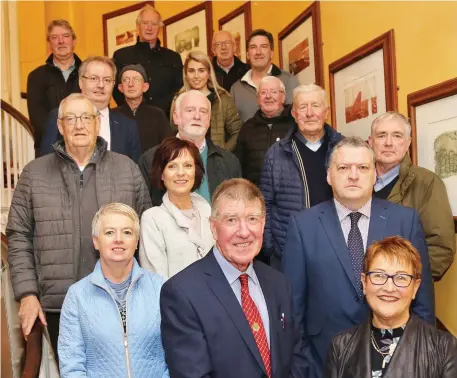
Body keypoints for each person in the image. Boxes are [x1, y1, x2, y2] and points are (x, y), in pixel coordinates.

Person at [6, 93, 151, 358]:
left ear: (97, 123)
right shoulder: (34, 174)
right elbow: (18, 237)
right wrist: (27, 294)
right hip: (59, 305)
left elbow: (146, 233)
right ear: (60, 127)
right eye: (70, 119)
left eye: (86, 117)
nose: (79, 125)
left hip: (120, 299)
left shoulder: (126, 169)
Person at [280, 137, 435, 378]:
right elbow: (293, 307)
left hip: (396, 360)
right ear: (329, 175)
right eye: (343, 168)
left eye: (362, 168)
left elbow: (422, 299)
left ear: (375, 175)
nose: (353, 175)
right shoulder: (302, 226)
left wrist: (423, 357)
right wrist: (303, 367)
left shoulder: (405, 220)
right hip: (323, 360)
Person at [160, 178, 307, 378]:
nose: (244, 232)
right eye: (231, 220)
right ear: (213, 227)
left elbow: (296, 356)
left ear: (263, 224)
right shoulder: (182, 293)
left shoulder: (279, 284)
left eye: (252, 219)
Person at [59, 203, 168, 377]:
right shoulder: (77, 296)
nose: (119, 239)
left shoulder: (162, 288)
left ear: (137, 241)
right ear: (96, 241)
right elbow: (72, 366)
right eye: (109, 232)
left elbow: (177, 354)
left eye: (127, 232)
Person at [325, 236, 457, 378]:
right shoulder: (340, 346)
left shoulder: (444, 347)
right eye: (379, 275)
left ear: (415, 287)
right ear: (364, 282)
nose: (389, 288)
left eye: (401, 277)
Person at [260, 84, 343, 266]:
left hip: (338, 250)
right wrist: (271, 248)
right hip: (289, 253)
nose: (309, 113)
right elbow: (265, 203)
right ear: (294, 114)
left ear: (326, 111)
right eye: (303, 107)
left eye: (315, 105)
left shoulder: (344, 149)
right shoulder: (276, 153)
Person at [369, 111, 455, 279]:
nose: (388, 143)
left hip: (401, 294)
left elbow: (440, 249)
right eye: (381, 136)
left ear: (407, 143)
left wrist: (400, 280)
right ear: (371, 142)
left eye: (397, 136)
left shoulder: (427, 182)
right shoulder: (357, 180)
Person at [139, 90, 241, 205]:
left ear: (209, 120)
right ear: (176, 117)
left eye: (203, 111)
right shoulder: (151, 159)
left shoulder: (229, 162)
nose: (197, 116)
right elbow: (144, 207)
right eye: (190, 110)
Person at [40, 56, 142, 162]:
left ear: (113, 85)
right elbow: (46, 165)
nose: (101, 85)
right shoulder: (61, 116)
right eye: (94, 78)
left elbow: (133, 172)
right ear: (80, 82)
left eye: (107, 80)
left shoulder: (128, 126)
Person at [139, 137, 214, 278]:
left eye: (187, 165)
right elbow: (155, 279)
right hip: (175, 299)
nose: (181, 173)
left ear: (196, 171)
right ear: (162, 174)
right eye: (172, 166)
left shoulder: (208, 211)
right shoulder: (153, 219)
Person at [112, 4, 183, 116]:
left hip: (164, 121)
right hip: (130, 119)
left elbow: (179, 91)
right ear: (138, 26)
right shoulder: (121, 56)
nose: (149, 28)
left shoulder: (173, 58)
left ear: (160, 28)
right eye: (145, 23)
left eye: (154, 24)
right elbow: (116, 89)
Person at [27, 20, 81, 156]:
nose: (61, 41)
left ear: (74, 41)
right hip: (49, 149)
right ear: (49, 44)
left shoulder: (88, 72)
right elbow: (37, 117)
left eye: (66, 36)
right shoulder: (36, 76)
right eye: (54, 37)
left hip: (84, 147)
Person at [171, 50, 242, 151]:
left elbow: (237, 131)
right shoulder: (179, 99)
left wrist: (222, 153)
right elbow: (174, 131)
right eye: (191, 71)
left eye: (201, 70)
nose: (196, 76)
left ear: (209, 73)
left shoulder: (222, 98)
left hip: (215, 160)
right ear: (185, 74)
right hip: (186, 158)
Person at [235, 76, 295, 186]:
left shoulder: (295, 123)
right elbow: (238, 166)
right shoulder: (247, 127)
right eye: (263, 92)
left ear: (283, 97)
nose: (268, 96)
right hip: (256, 194)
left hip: (290, 193)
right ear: (258, 98)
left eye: (273, 92)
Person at [230, 29, 299, 123]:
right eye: (253, 47)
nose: (258, 52)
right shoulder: (236, 89)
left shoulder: (289, 81)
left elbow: (297, 119)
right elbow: (233, 127)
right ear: (247, 54)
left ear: (271, 53)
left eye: (264, 47)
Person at [115, 63, 173, 153]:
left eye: (136, 80)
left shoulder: (157, 115)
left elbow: (169, 147)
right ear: (120, 87)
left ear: (145, 87)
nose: (131, 84)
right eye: (126, 80)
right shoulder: (113, 115)